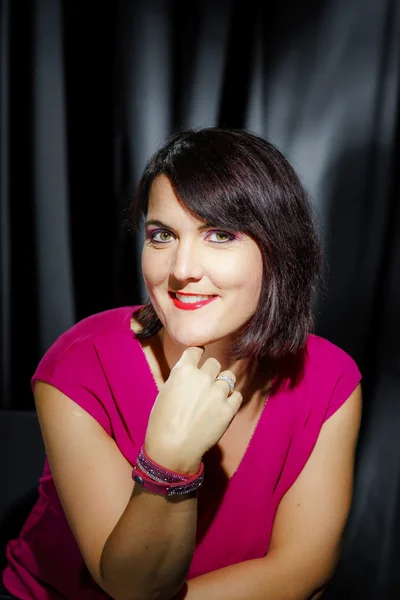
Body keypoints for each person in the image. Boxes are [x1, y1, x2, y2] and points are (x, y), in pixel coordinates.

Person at [1, 127, 362, 600]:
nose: (181, 268)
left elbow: (303, 569)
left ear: (279, 249)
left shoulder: (330, 379)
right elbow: (133, 588)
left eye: (220, 234)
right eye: (162, 235)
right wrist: (168, 462)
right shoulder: (80, 363)